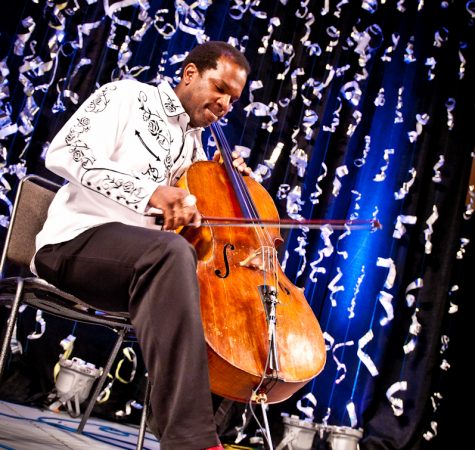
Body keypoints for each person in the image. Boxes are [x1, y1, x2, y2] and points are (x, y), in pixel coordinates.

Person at [31, 41, 252, 450]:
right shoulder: (127, 95)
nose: (225, 104)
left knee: (202, 281)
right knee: (170, 255)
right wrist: (152, 193)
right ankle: (192, 441)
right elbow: (65, 153)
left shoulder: (196, 149)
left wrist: (224, 184)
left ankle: (200, 427)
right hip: (73, 243)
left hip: (138, 272)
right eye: (219, 89)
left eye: (233, 100)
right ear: (190, 74)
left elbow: (191, 224)